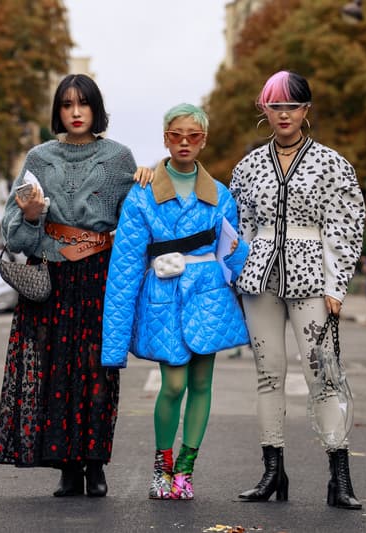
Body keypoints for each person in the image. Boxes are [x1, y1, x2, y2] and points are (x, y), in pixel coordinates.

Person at [0, 74, 149, 498]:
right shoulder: (38, 158)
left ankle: (95, 463)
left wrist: (156, 178)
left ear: (96, 108)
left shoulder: (120, 158)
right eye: (67, 104)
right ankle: (66, 465)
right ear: (57, 111)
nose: (75, 112)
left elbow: (137, 222)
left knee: (98, 371)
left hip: (100, 277)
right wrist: (29, 216)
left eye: (83, 103)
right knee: (53, 370)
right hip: (50, 277)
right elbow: (15, 237)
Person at [229, 71, 366, 509]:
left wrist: (336, 285)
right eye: (275, 105)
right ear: (263, 109)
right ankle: (272, 472)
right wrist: (236, 275)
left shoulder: (332, 163)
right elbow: (238, 227)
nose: (283, 113)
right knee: (269, 375)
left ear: (306, 110)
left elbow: (345, 225)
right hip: (260, 281)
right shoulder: (248, 167)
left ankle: (339, 476)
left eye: (292, 105)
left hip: (312, 280)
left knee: (324, 376)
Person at [101, 104, 249, 500]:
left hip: (209, 296)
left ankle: (185, 470)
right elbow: (126, 267)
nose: (184, 142)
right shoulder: (142, 194)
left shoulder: (221, 195)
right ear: (165, 138)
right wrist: (115, 341)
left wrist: (243, 256)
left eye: (194, 136)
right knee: (174, 384)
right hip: (165, 296)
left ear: (204, 140)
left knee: (202, 382)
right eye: (176, 135)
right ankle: (161, 467)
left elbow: (232, 254)